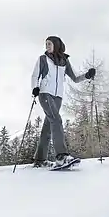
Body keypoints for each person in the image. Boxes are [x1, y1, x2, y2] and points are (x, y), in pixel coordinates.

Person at [30, 36, 95, 168]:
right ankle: (61, 156)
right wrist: (35, 88)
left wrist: (87, 75)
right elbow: (34, 75)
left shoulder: (64, 61)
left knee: (48, 126)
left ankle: (40, 160)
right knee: (56, 120)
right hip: (45, 93)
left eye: (49, 44)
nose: (47, 46)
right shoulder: (43, 59)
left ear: (57, 45)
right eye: (46, 44)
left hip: (58, 97)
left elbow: (75, 78)